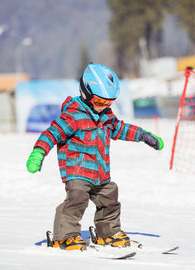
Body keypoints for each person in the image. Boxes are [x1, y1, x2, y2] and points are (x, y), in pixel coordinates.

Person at [26, 63, 164, 251]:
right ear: (86, 93)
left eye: (109, 103)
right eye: (100, 102)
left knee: (110, 198)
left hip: (100, 172)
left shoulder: (106, 116)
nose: (104, 107)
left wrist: (143, 135)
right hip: (77, 171)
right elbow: (51, 134)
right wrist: (39, 152)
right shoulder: (73, 117)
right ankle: (65, 236)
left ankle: (108, 234)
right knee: (77, 199)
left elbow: (120, 128)